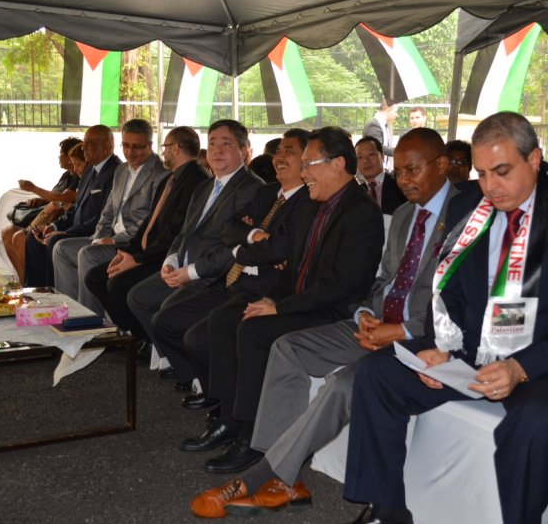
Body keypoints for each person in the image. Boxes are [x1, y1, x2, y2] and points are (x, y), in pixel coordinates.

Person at [343, 112, 548, 524]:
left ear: (534, 159)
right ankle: (386, 511)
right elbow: (451, 289)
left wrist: (520, 367)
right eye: (481, 173)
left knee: (535, 422)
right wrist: (443, 343)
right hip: (473, 348)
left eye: (502, 171)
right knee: (376, 373)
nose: (490, 186)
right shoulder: (469, 203)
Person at [190, 127, 471, 519]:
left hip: (420, 336)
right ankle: (278, 471)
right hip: (372, 322)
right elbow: (384, 281)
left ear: (442, 165)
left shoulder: (465, 216)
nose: (404, 180)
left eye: (414, 170)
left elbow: (462, 298)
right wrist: (367, 315)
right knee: (286, 347)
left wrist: (405, 329)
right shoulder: (405, 215)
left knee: (343, 384)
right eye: (400, 171)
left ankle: (265, 475)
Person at [189, 126, 384, 476]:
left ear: (338, 164)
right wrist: (269, 298)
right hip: (301, 300)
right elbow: (294, 268)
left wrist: (279, 307)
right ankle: (229, 417)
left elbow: (343, 286)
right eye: (303, 165)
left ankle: (252, 438)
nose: (304, 173)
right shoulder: (314, 205)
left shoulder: (361, 213)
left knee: (254, 331)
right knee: (227, 318)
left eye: (310, 164)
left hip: (334, 311)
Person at [157, 129, 311, 400]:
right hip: (233, 279)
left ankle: (221, 400)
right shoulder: (267, 192)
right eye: (278, 151)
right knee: (166, 321)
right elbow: (229, 229)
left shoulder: (306, 200)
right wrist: (254, 235)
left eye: (289, 151)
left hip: (260, 286)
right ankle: (207, 386)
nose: (280, 157)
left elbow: (277, 249)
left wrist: (243, 246)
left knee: (201, 336)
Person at [125, 120, 263, 368]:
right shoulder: (204, 187)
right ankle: (173, 360)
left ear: (243, 150)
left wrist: (190, 272)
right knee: (138, 297)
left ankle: (193, 373)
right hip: (183, 266)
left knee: (167, 312)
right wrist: (171, 261)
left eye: (226, 144)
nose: (217, 150)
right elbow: (184, 232)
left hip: (214, 275)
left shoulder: (252, 189)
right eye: (212, 143)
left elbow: (234, 247)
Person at [84, 126, 210, 357]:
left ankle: (144, 339)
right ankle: (137, 335)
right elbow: (149, 223)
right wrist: (127, 253)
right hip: (148, 251)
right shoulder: (171, 178)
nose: (163, 152)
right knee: (96, 277)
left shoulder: (197, 180)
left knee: (117, 284)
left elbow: (175, 233)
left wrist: (138, 259)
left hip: (167, 257)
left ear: (175, 148)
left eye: (165, 147)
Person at [52, 120, 167, 315]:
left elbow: (149, 221)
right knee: (61, 248)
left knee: (88, 255)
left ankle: (90, 319)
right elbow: (108, 212)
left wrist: (113, 240)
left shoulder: (160, 174)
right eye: (126, 145)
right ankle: (70, 310)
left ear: (149, 145)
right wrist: (98, 238)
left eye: (137, 147)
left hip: (130, 244)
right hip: (108, 238)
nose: (130, 152)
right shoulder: (121, 170)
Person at [23, 125, 120, 287]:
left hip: (93, 232)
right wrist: (53, 226)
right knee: (34, 236)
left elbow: (103, 217)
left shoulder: (116, 171)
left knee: (55, 240)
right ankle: (37, 290)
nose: (84, 147)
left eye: (90, 143)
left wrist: (66, 232)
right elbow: (76, 208)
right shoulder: (90, 170)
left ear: (107, 146)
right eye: (84, 142)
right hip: (77, 228)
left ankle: (53, 292)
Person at [2, 137, 81, 280]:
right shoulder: (65, 175)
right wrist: (41, 200)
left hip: (56, 219)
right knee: (7, 232)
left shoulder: (78, 177)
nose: (58, 157)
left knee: (19, 238)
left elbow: (64, 198)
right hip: (46, 214)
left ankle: (33, 283)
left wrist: (33, 188)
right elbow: (53, 196)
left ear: (70, 157)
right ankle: (23, 280)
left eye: (61, 153)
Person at [355, 136, 406, 214]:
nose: (366, 161)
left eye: (371, 154)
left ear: (382, 157)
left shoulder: (399, 186)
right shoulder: (356, 194)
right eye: (360, 157)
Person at [363, 100, 398, 170]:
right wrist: (398, 152)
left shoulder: (386, 125)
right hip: (373, 170)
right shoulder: (373, 125)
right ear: (388, 110)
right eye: (395, 111)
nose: (396, 115)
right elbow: (377, 147)